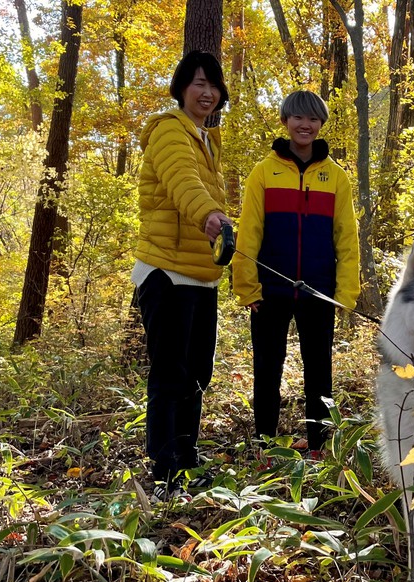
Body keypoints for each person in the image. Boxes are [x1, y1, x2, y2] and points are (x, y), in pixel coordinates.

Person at [232, 90, 360, 461]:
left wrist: (345, 293)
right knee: (266, 370)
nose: (305, 125)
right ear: (286, 122)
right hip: (269, 290)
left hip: (319, 292)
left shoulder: (335, 178)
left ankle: (319, 447)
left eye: (313, 119)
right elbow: (249, 233)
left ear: (321, 125)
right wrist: (247, 286)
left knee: (319, 372)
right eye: (298, 118)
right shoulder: (263, 172)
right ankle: (265, 447)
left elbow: (346, 239)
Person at [133, 51, 233, 498]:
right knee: (171, 374)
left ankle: (187, 458)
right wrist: (210, 215)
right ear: (181, 88)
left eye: (212, 84)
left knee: (197, 374)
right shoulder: (170, 131)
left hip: (200, 275)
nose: (206, 91)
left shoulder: (207, 141)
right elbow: (182, 183)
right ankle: (164, 469)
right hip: (167, 273)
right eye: (197, 82)